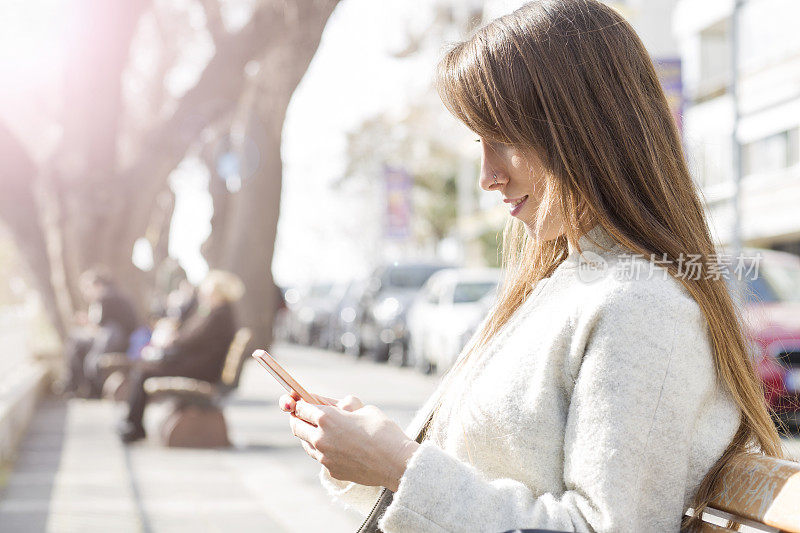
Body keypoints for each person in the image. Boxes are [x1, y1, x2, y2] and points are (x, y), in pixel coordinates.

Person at [278, 2, 789, 532]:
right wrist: (369, 457)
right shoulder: (567, 284)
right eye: (479, 143)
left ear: (581, 129)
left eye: (501, 139)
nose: (487, 176)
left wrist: (397, 465)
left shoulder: (642, 310)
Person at [117, 270, 242, 443]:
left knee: (144, 371)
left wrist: (172, 342)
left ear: (217, 292)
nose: (203, 295)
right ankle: (133, 424)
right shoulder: (215, 312)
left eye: (207, 291)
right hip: (197, 364)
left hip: (201, 370)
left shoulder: (219, 314)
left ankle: (133, 426)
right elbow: (191, 336)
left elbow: (191, 339)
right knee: (144, 368)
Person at [60, 269, 138, 398]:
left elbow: (99, 328)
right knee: (76, 339)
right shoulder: (110, 297)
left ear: (98, 286)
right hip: (112, 339)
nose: (85, 293)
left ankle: (76, 385)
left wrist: (86, 323)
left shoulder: (107, 298)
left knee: (78, 341)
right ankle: (74, 384)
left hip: (117, 341)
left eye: (87, 288)